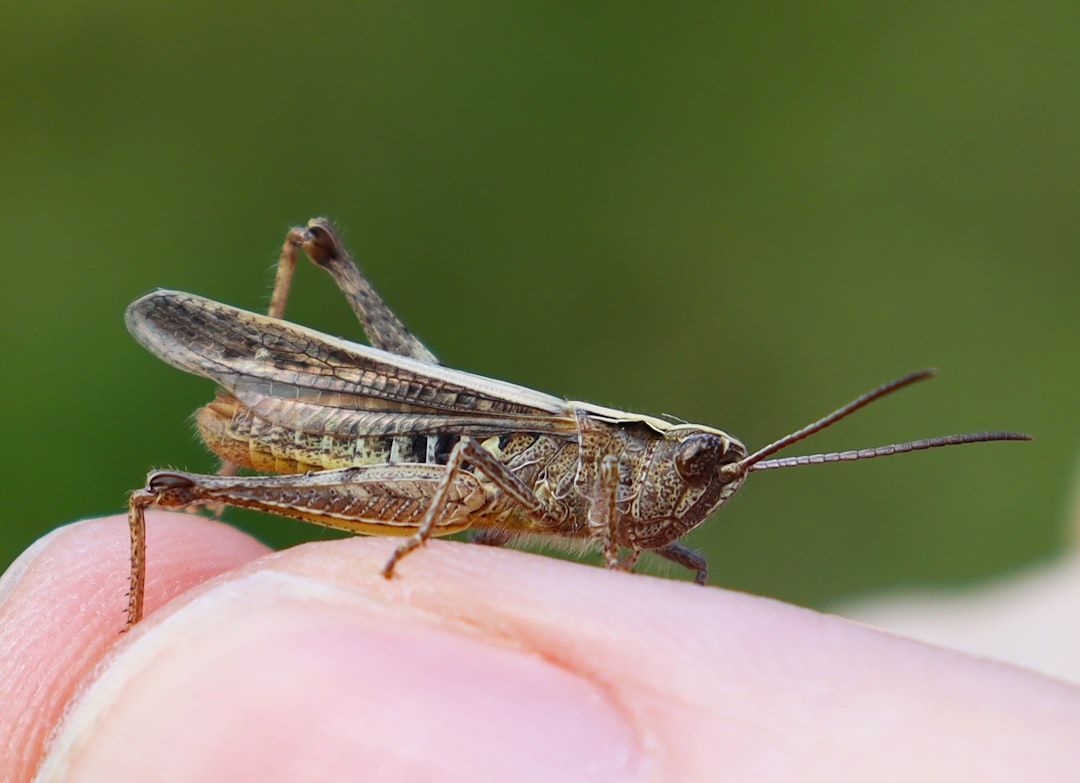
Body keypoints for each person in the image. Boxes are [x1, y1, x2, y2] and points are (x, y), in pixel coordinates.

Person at [3, 511, 1078, 781]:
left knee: (690, 575)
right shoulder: (582, 453)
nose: (691, 506)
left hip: (443, 489)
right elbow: (473, 453)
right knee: (166, 508)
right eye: (699, 468)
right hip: (394, 442)